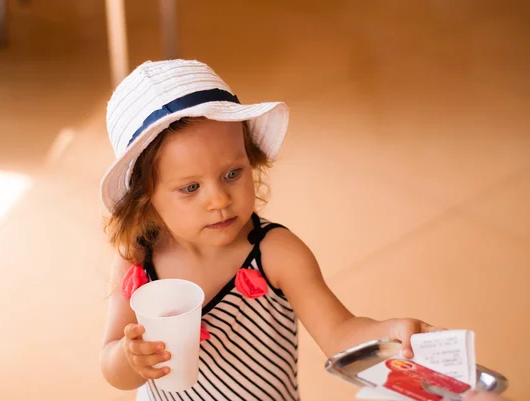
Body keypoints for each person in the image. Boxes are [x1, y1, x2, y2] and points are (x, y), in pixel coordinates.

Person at [98, 59, 439, 401]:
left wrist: (391, 333)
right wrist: (131, 358)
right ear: (146, 198)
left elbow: (339, 334)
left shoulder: (276, 253)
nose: (219, 200)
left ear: (251, 160)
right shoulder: (135, 258)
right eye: (190, 188)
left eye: (232, 174)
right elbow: (114, 367)